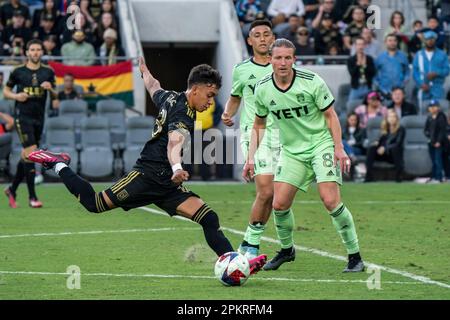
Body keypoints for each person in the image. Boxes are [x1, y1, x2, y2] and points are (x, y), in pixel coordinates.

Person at [28, 58, 267, 274]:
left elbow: (154, 87)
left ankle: (235, 263)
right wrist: (176, 168)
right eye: (210, 95)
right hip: (146, 176)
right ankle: (59, 164)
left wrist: (145, 72)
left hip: (166, 186)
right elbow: (174, 142)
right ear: (195, 89)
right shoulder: (183, 113)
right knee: (95, 204)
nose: (211, 101)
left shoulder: (170, 97)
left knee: (209, 218)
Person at [244, 38, 365, 272]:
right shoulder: (262, 88)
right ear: (270, 60)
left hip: (320, 145)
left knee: (330, 200)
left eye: (287, 58)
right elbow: (259, 124)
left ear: (294, 60)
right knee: (279, 204)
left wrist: (339, 148)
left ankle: (355, 256)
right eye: (278, 57)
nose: (282, 62)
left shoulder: (311, 82)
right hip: (291, 151)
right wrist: (251, 157)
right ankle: (287, 250)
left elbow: (331, 116)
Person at [222, 20, 294, 270]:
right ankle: (250, 246)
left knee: (280, 196)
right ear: (250, 41)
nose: (263, 38)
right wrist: (227, 114)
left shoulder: (283, 68)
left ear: (273, 38)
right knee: (266, 190)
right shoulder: (242, 70)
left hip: (285, 135)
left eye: (267, 34)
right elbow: (234, 98)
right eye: (257, 35)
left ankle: (285, 247)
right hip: (256, 135)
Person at [3, 39, 57, 208]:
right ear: (27, 52)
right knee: (32, 152)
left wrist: (51, 89)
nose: (35, 52)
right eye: (32, 49)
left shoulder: (48, 72)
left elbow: (56, 98)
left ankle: (12, 189)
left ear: (42, 52)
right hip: (22, 117)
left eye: (38, 49)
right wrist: (16, 96)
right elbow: (6, 91)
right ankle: (32, 197)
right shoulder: (18, 71)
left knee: (26, 155)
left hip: (39, 118)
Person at [364, 109, 405, 182]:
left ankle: (399, 176)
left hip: (393, 155)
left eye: (394, 117)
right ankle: (368, 175)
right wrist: (377, 143)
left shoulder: (401, 129)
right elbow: (380, 142)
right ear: (387, 119)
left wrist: (385, 148)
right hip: (383, 155)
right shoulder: (385, 129)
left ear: (397, 119)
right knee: (372, 148)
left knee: (395, 149)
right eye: (390, 117)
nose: (392, 119)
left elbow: (398, 143)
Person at [412, 30, 450, 104]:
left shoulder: (442, 54)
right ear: (424, 40)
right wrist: (421, 84)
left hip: (437, 88)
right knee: (423, 110)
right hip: (424, 88)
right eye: (428, 39)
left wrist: (437, 73)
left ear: (435, 40)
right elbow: (415, 72)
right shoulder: (419, 55)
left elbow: (447, 70)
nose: (430, 41)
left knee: (438, 110)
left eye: (432, 39)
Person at [374, 34, 409, 98]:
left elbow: (407, 72)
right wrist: (379, 86)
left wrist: (403, 84)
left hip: (399, 91)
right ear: (385, 42)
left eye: (394, 40)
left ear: (397, 42)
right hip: (384, 92)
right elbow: (374, 74)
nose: (392, 43)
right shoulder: (380, 57)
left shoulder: (403, 56)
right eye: (390, 40)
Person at [424, 100, 449, 183]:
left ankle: (439, 177)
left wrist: (438, 141)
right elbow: (426, 129)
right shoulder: (429, 117)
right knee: (433, 160)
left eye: (434, 106)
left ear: (438, 107)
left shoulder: (441, 117)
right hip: (431, 142)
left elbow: (442, 131)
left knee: (438, 160)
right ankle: (434, 176)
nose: (432, 108)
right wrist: (429, 137)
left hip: (439, 143)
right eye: (431, 107)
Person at [347, 37, 376, 102]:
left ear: (365, 46)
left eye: (362, 44)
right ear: (355, 46)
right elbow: (352, 73)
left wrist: (365, 65)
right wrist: (357, 65)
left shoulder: (369, 59)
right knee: (350, 104)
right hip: (356, 87)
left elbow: (373, 73)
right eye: (358, 44)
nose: (360, 47)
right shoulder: (351, 59)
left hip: (367, 87)